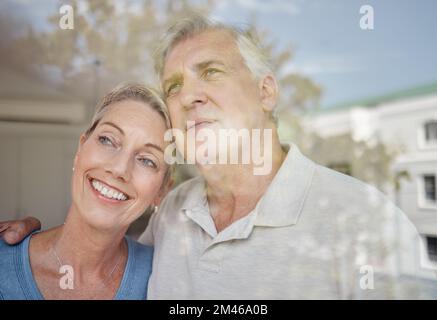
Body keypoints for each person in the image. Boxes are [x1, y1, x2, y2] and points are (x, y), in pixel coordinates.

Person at [2, 15, 436, 299]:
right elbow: (102, 253)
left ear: (266, 91)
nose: (190, 95)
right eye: (174, 87)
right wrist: (31, 240)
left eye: (212, 72)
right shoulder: (173, 212)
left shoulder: (365, 220)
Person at [0, 83, 172, 300]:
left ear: (162, 191)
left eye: (147, 160)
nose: (119, 169)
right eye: (107, 140)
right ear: (80, 149)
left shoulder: (167, 278)